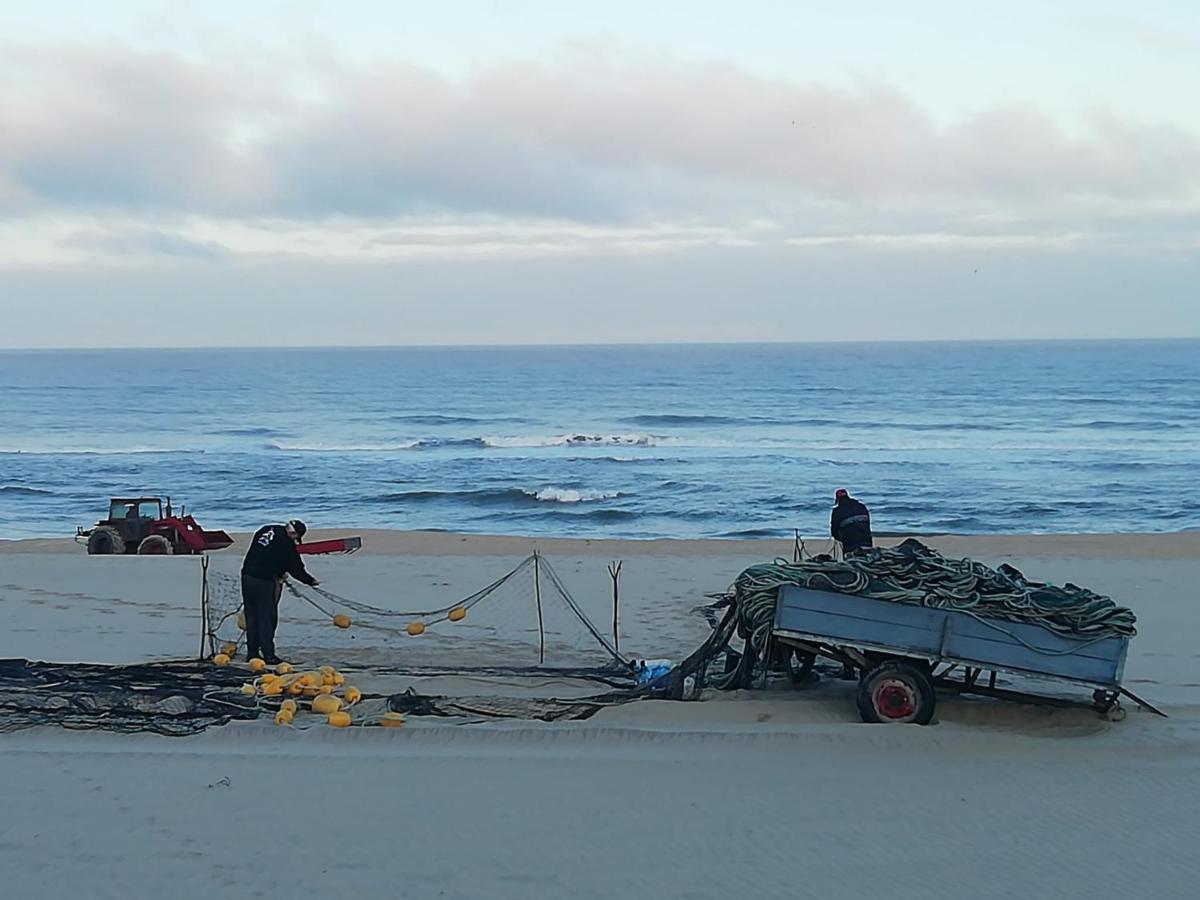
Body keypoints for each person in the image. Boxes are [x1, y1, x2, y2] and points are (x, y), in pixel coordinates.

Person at [240, 519, 319, 664]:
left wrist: (279, 569)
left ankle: (252, 654)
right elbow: (295, 568)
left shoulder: (266, 529)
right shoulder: (286, 544)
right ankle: (268, 655)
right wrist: (310, 581)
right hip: (264, 580)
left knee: (252, 617)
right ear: (293, 533)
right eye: (296, 537)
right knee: (266, 618)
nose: (295, 540)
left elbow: (267, 553)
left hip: (247, 576)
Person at [830, 489, 873, 556]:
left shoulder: (837, 511)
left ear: (837, 499)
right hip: (865, 538)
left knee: (850, 560)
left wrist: (840, 538)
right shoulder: (861, 506)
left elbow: (834, 532)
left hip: (849, 541)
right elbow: (867, 523)